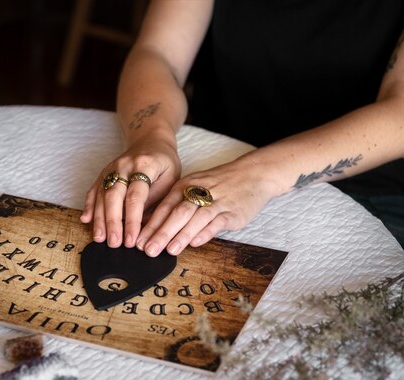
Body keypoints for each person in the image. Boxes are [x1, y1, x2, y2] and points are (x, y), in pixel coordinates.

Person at [80, 0, 404, 256]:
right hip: (213, 163)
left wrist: (257, 176)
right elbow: (158, 53)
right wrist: (152, 138)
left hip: (368, 193)